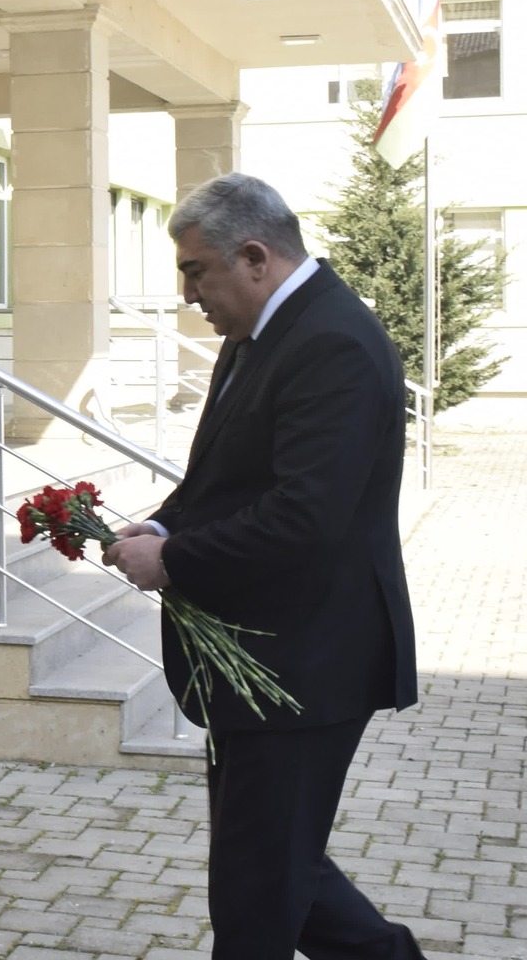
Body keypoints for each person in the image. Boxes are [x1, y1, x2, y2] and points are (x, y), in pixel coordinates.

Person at [103, 172, 423, 960]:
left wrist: (173, 559)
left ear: (254, 257)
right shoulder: (260, 333)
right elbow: (230, 477)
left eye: (195, 272)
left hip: (307, 660)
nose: (188, 296)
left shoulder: (333, 342)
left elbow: (305, 516)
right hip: (266, 657)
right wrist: (165, 523)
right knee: (275, 866)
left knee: (255, 888)